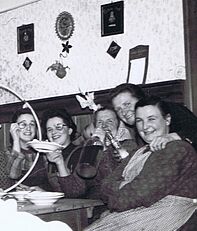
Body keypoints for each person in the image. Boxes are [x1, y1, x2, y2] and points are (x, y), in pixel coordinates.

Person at [85, 96, 197, 231]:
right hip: (133, 218)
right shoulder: (139, 151)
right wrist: (127, 187)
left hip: (167, 222)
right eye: (139, 120)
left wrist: (122, 187)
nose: (145, 126)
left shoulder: (176, 149)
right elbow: (104, 186)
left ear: (167, 120)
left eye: (151, 119)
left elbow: (131, 198)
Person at [110, 83, 197, 151]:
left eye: (127, 104)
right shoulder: (134, 129)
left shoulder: (167, 108)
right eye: (118, 109)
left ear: (141, 99)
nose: (124, 112)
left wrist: (174, 136)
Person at [41, 108, 85, 198]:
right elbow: (55, 190)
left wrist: (60, 163)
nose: (54, 132)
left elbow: (75, 194)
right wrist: (40, 192)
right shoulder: (48, 155)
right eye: (49, 129)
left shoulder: (81, 153)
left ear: (69, 130)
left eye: (59, 127)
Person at [6, 108, 51, 191]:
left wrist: (41, 191)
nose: (28, 128)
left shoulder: (42, 152)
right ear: (14, 128)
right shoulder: (8, 153)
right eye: (23, 124)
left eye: (32, 124)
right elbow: (13, 175)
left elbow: (51, 183)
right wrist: (16, 140)